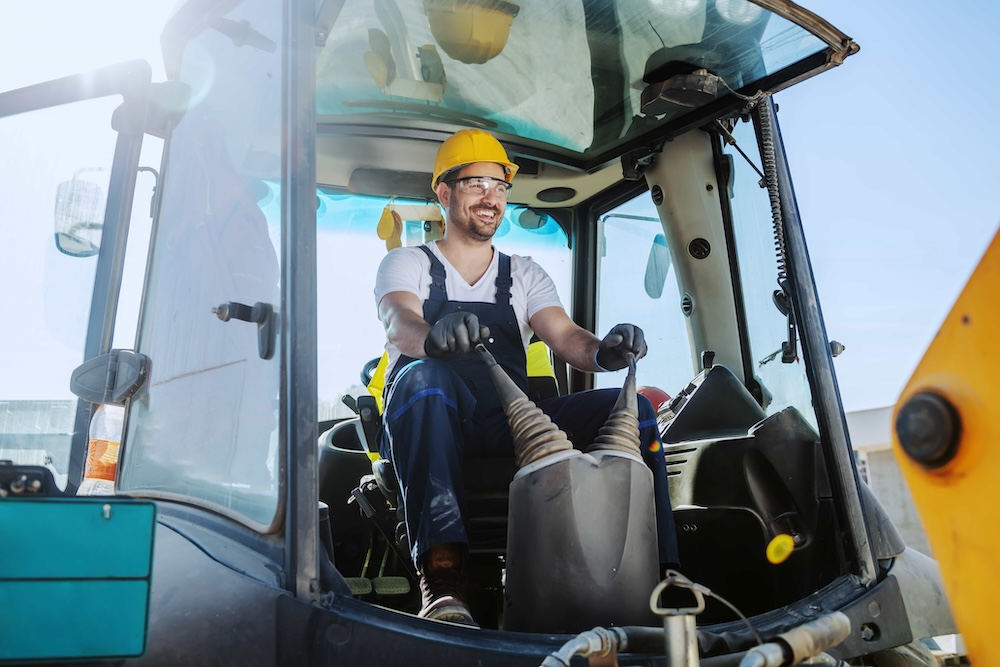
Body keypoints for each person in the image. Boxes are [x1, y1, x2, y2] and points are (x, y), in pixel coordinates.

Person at [374, 129, 678, 624]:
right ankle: (446, 585)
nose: (491, 198)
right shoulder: (408, 262)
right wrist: (432, 338)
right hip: (429, 417)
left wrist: (606, 351)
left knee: (636, 410)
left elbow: (565, 337)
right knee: (425, 378)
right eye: (476, 185)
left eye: (499, 186)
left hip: (505, 421)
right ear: (444, 192)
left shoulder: (523, 273)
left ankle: (664, 576)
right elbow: (398, 322)